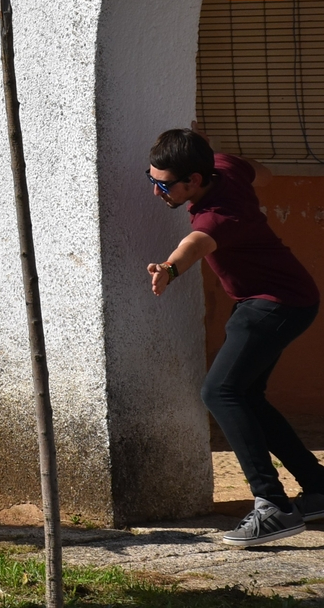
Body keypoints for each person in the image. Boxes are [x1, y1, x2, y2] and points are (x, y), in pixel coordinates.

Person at [145, 127, 324, 547]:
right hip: (286, 298)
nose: (156, 191)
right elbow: (264, 174)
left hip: (273, 303)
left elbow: (193, 244)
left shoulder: (218, 215)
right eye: (151, 179)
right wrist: (210, 151)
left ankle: (272, 506)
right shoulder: (223, 168)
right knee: (246, 396)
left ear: (194, 181)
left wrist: (168, 270)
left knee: (220, 392)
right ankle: (318, 487)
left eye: (163, 184)